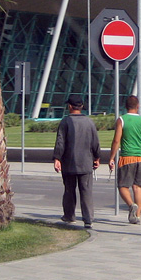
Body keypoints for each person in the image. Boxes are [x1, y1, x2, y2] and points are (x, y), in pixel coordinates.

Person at [108, 96, 141, 224]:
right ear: (138, 106)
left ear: (125, 106)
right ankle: (137, 216)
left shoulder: (122, 120)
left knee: (122, 186)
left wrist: (111, 158)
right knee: (137, 187)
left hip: (127, 157)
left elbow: (116, 141)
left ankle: (131, 205)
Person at [52, 94, 100, 229]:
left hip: (69, 163)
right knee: (86, 191)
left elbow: (60, 142)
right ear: (82, 106)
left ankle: (69, 216)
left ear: (69, 106)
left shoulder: (65, 122)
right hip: (86, 162)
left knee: (69, 190)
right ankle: (88, 219)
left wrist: (57, 158)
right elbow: (95, 142)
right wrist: (97, 157)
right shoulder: (89, 122)